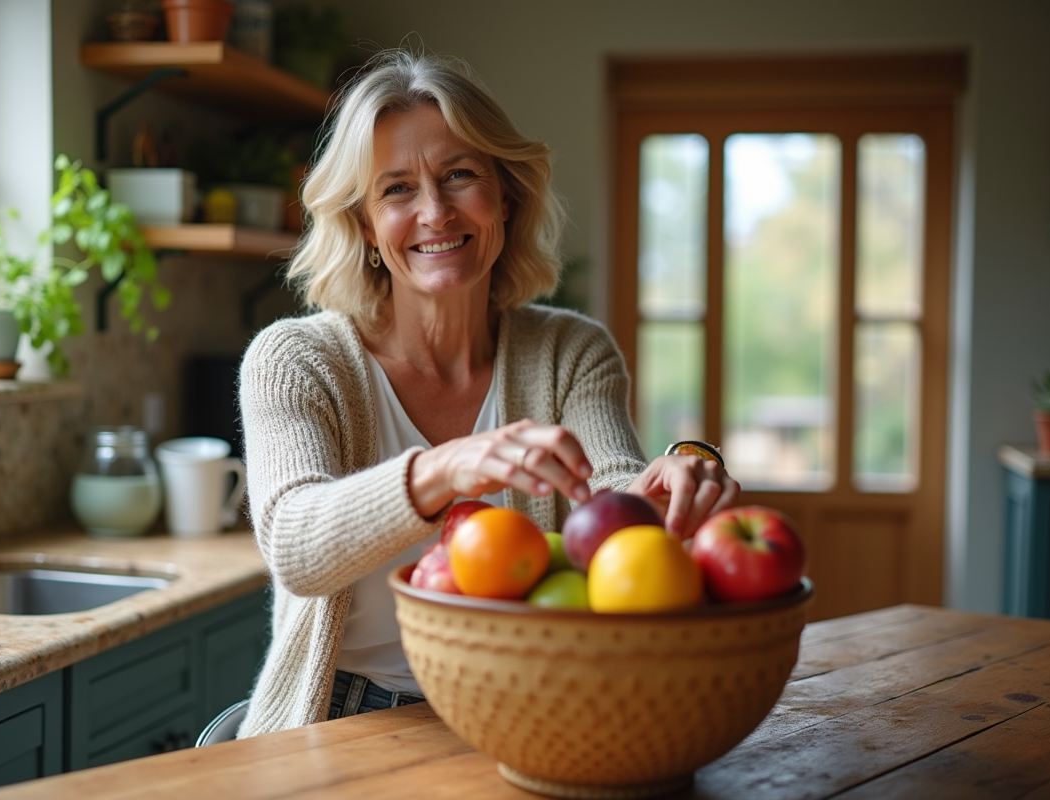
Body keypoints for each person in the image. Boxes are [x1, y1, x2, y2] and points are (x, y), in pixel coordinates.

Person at [235, 48, 739, 738]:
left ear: (504, 197)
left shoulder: (571, 351)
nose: (435, 211)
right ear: (364, 227)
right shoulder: (296, 358)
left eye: (458, 175)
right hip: (340, 719)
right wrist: (446, 468)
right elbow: (295, 548)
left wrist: (665, 480)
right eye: (396, 189)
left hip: (532, 709)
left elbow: (616, 484)